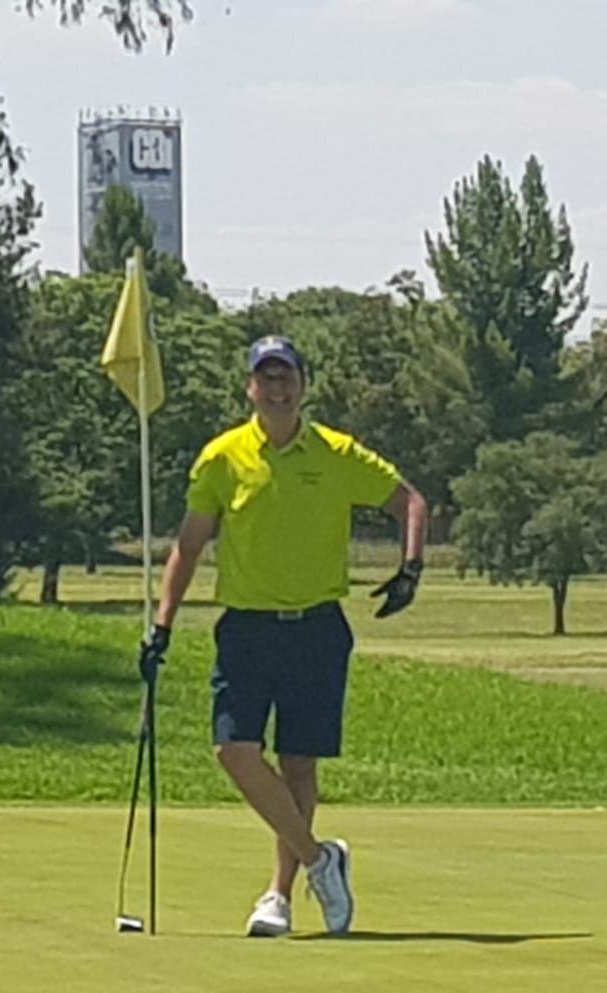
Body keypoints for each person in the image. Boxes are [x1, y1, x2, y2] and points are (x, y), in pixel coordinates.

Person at [139, 335, 428, 937]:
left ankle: (279, 895)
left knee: (299, 765)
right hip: (246, 628)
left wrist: (411, 569)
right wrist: (162, 623)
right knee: (234, 751)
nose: (277, 389)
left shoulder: (334, 452)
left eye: (286, 377)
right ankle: (323, 859)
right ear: (249, 387)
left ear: (302, 385)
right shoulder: (222, 458)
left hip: (317, 628)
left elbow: (409, 502)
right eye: (266, 379)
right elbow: (189, 546)